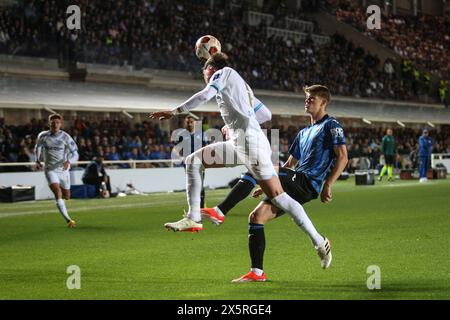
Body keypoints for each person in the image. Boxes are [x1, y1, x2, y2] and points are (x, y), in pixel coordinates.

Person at [149, 54, 332, 272]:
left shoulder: (223, 73)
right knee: (194, 161)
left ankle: (319, 242)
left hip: (251, 144)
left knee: (279, 196)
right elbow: (265, 113)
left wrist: (174, 111)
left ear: (210, 69)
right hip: (240, 142)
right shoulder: (242, 87)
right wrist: (236, 125)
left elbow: (206, 94)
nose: (205, 77)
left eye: (204, 72)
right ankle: (194, 217)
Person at [201, 85, 348, 282]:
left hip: (308, 182)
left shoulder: (332, 125)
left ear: (324, 102)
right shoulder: (304, 133)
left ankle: (220, 211)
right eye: (306, 98)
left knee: (258, 164)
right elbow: (290, 164)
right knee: (256, 217)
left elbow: (343, 157)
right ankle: (257, 272)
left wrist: (328, 184)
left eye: (311, 98)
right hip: (294, 181)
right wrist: (266, 184)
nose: (307, 101)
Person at [34, 114, 79, 228]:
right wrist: (37, 160)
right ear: (49, 123)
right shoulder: (43, 136)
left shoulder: (65, 137)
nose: (55, 124)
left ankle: (64, 201)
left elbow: (75, 153)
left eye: (57, 122)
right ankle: (68, 220)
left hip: (63, 170)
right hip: (50, 169)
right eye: (53, 122)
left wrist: (69, 161)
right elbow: (38, 147)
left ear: (60, 124)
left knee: (67, 196)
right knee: (57, 193)